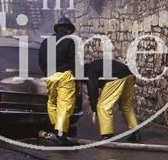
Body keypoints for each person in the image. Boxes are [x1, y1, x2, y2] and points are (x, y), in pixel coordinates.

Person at [38, 16, 77, 145]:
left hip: (50, 77)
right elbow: (73, 61)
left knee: (52, 103)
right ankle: (61, 135)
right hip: (65, 75)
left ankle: (56, 128)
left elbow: (40, 61)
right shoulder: (70, 41)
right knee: (64, 105)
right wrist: (76, 76)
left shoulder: (45, 42)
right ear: (67, 29)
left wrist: (48, 74)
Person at [84, 58, 141, 142]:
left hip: (117, 77)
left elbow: (92, 90)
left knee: (103, 106)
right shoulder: (95, 66)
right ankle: (136, 134)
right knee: (126, 105)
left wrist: (94, 109)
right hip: (129, 75)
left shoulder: (89, 72)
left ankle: (107, 136)